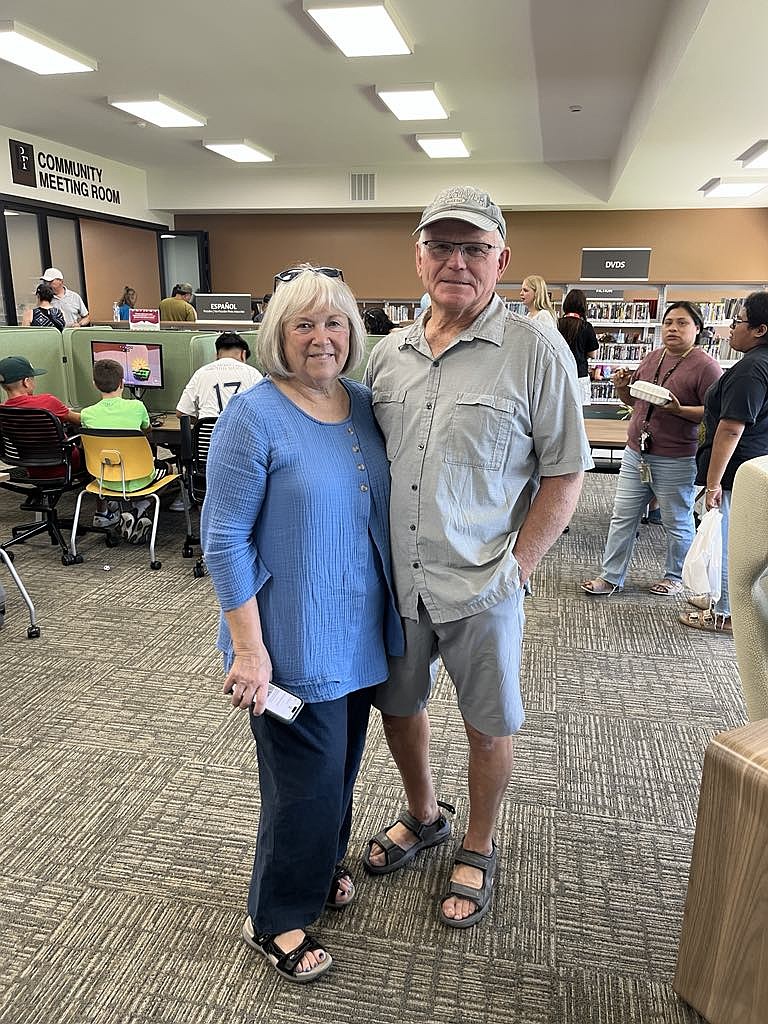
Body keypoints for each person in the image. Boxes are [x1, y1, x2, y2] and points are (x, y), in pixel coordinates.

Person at [363, 185, 592, 928]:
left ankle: (480, 840)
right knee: (398, 709)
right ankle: (426, 813)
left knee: (488, 724)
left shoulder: (534, 347)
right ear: (418, 255)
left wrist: (517, 571)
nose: (455, 262)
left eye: (473, 248)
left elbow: (565, 472)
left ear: (502, 259)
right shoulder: (386, 355)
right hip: (398, 582)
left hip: (483, 582)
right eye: (441, 246)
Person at [200, 265, 403, 983]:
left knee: (340, 773)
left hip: (357, 632)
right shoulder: (253, 414)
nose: (323, 338)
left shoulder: (361, 403)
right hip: (286, 642)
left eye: (335, 323)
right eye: (304, 324)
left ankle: (318, 873)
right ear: (278, 336)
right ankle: (277, 915)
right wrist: (249, 650)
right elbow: (223, 538)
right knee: (304, 787)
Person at [582, 302, 722, 598]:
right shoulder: (652, 358)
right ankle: (611, 576)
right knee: (623, 516)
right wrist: (621, 388)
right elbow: (637, 404)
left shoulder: (707, 366)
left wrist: (678, 409)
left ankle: (675, 576)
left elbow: (713, 413)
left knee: (676, 520)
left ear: (697, 328)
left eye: (682, 323)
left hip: (676, 457)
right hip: (637, 453)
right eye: (668, 322)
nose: (673, 328)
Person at [680, 291, 768, 634]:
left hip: (736, 472)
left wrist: (714, 483)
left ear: (760, 329)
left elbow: (731, 428)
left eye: (738, 321)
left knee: (729, 544)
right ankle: (731, 610)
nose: (731, 328)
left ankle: (726, 614)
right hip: (753, 466)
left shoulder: (751, 369)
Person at [80, 359, 169, 542]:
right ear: (122, 382)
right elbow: (147, 430)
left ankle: (110, 511)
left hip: (104, 480)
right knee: (169, 468)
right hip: (140, 477)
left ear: (94, 384)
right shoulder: (137, 407)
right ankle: (140, 507)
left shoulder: (86, 414)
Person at [0, 354, 81, 480]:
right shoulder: (48, 402)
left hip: (30, 467)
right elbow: (79, 420)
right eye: (33, 378)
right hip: (66, 464)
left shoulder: (3, 411)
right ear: (26, 382)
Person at [176, 332, 263, 421]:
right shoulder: (253, 373)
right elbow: (264, 410)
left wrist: (199, 424)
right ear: (243, 354)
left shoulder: (201, 373)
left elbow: (181, 412)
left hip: (207, 433)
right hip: (239, 433)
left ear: (217, 355)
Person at [558, 288, 599, 405]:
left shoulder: (556, 323)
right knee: (577, 412)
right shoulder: (586, 326)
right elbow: (593, 354)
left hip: (559, 373)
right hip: (579, 374)